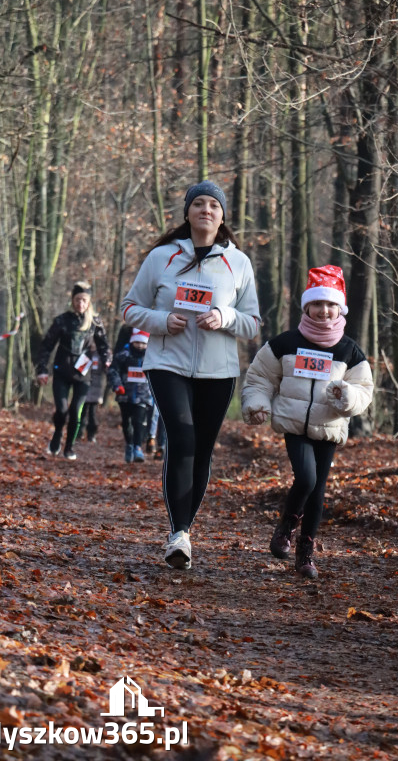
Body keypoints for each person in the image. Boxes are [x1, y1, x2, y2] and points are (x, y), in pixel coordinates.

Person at [121, 180, 261, 570]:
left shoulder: (239, 263)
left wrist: (227, 317)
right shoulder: (162, 257)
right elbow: (130, 307)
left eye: (213, 205)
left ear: (222, 215)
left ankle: (185, 528)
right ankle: (178, 532)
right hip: (167, 363)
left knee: (201, 448)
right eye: (197, 203)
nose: (205, 210)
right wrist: (163, 321)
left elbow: (252, 323)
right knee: (181, 437)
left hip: (219, 371)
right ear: (187, 212)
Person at [241, 265, 373, 579]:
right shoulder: (286, 343)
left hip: (329, 427)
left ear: (339, 308)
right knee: (307, 479)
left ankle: (305, 554)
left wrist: (346, 396)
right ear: (307, 306)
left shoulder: (349, 350)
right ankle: (286, 526)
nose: (324, 310)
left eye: (331, 304)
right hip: (294, 424)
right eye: (318, 303)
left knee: (318, 490)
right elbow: (259, 377)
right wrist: (258, 404)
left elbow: (364, 390)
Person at [36, 282, 111, 460]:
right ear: (72, 300)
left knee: (76, 411)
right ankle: (56, 436)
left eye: (84, 300)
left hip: (83, 375)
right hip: (61, 371)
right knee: (62, 410)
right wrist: (42, 370)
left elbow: (104, 346)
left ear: (89, 302)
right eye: (77, 300)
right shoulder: (62, 320)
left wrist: (107, 360)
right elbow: (46, 346)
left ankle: (69, 447)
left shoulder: (95, 322)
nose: (80, 303)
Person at [107, 329, 153, 463]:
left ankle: (138, 448)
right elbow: (113, 370)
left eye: (143, 343)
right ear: (132, 341)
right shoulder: (123, 355)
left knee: (138, 422)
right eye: (137, 342)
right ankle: (129, 445)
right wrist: (117, 385)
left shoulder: (150, 357)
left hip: (143, 396)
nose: (140, 345)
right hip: (124, 395)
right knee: (127, 422)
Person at [76, 338, 106, 443]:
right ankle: (78, 433)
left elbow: (106, 369)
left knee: (93, 414)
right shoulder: (84, 354)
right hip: (84, 386)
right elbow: (79, 370)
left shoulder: (102, 356)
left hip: (96, 389)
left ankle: (91, 434)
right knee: (81, 412)